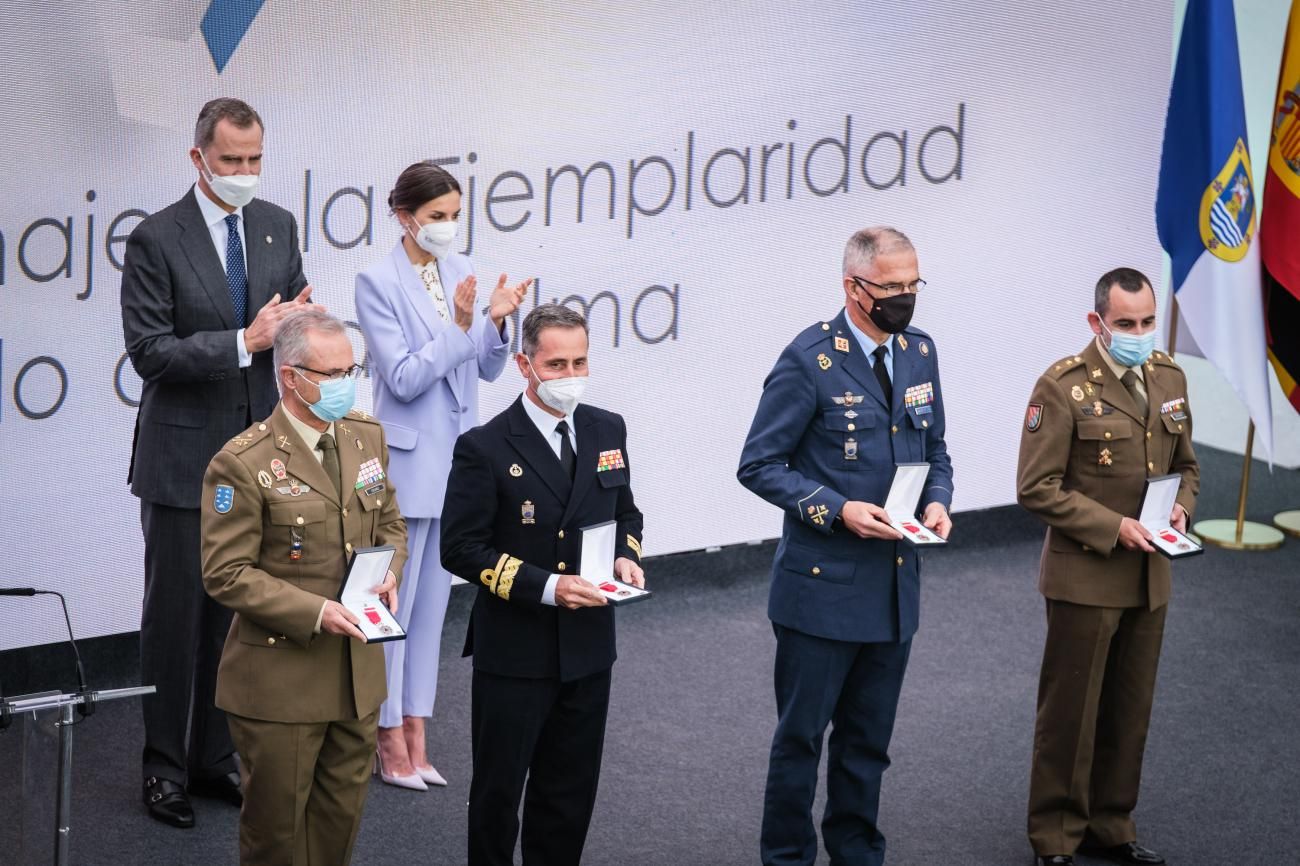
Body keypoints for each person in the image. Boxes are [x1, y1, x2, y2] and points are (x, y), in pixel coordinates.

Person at [120, 96, 320, 827]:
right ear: (197, 156)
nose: (244, 172)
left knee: (236, 617)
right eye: (231, 160)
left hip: (257, 457)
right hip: (180, 462)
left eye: (255, 159)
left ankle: (212, 758)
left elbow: (289, 325)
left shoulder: (277, 225)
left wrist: (297, 329)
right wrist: (246, 340)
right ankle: (164, 769)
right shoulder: (155, 239)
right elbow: (149, 353)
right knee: (174, 621)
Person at [737, 226, 953, 866]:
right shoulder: (809, 360)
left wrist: (938, 498)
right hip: (822, 589)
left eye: (913, 284)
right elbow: (759, 465)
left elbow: (935, 447)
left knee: (868, 743)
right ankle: (787, 858)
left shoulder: (919, 351)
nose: (905, 297)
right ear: (853, 288)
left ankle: (857, 854)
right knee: (801, 739)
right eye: (891, 287)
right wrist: (839, 511)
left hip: (892, 588)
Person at [200, 310, 408, 866]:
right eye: (334, 373)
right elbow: (226, 573)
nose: (347, 382)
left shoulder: (364, 436)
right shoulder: (242, 463)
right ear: (291, 377)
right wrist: (316, 611)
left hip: (356, 675)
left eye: (352, 370)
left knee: (337, 832)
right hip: (281, 683)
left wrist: (391, 569)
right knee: (278, 840)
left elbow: (389, 520)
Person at [440, 303, 645, 866]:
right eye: (556, 365)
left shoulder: (607, 427)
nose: (570, 375)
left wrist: (627, 557)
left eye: (580, 361)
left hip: (588, 648)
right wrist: (548, 589)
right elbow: (459, 548)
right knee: (498, 797)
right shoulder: (484, 446)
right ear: (525, 366)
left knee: (568, 796)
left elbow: (626, 512)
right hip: (517, 649)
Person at [354, 161, 529, 790]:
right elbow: (401, 378)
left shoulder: (461, 269)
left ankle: (418, 727)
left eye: (455, 215)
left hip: (460, 462)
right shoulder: (375, 281)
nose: (448, 228)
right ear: (405, 217)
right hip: (404, 462)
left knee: (431, 610)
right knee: (393, 607)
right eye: (436, 218)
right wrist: (461, 327)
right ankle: (386, 734)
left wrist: (497, 322)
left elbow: (481, 370)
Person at [1018, 268, 1199, 866]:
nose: (1140, 333)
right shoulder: (1062, 387)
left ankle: (1111, 823)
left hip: (1151, 574)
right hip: (1087, 573)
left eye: (1147, 321)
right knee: (1071, 712)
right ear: (1098, 323)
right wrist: (1113, 526)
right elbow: (1035, 488)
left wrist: (1180, 507)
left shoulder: (1169, 375)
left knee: (1130, 709)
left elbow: (1188, 465)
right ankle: (1056, 837)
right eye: (1126, 324)